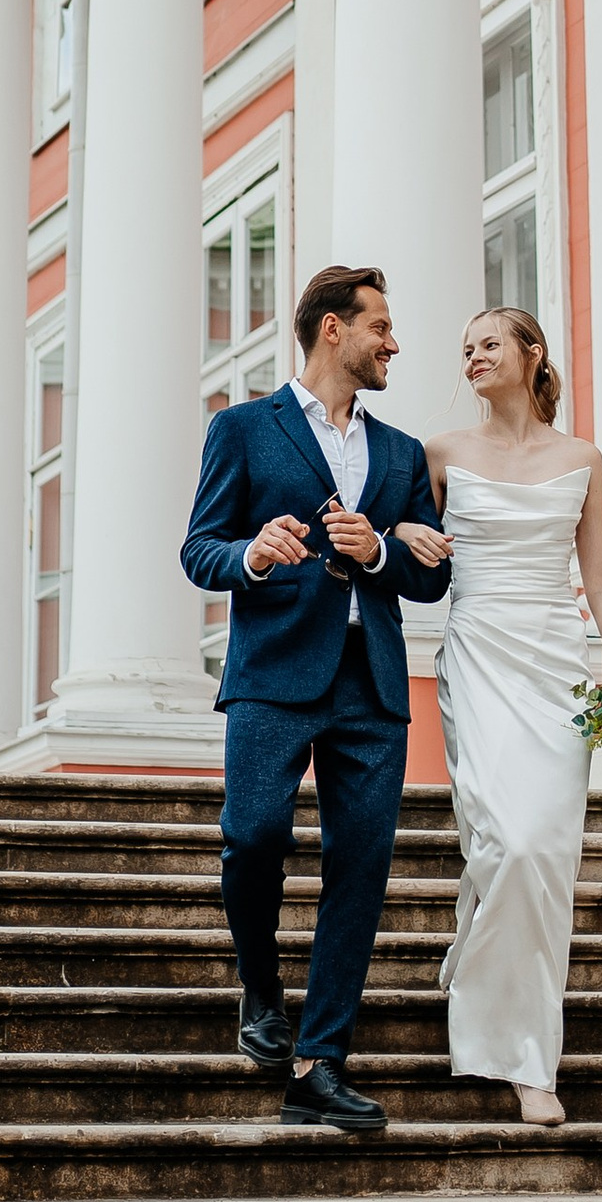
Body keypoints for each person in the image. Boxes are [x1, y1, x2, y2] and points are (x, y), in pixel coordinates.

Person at [179, 263, 451, 1134]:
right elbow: (200, 551)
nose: (393, 344)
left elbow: (425, 575)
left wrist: (378, 550)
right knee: (253, 834)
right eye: (381, 327)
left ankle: (319, 1062)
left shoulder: (403, 453)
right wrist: (254, 555)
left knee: (361, 871)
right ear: (333, 329)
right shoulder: (242, 429)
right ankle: (260, 985)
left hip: (369, 683)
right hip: (273, 673)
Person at [395, 307, 602, 1128]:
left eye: (489, 343)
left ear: (532, 353)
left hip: (560, 667)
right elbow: (400, 537)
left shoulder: (585, 459)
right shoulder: (440, 454)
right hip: (481, 652)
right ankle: (498, 1018)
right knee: (509, 840)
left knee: (546, 855)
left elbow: (599, 579)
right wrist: (404, 533)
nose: (473, 357)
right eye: (464, 349)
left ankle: (532, 1065)